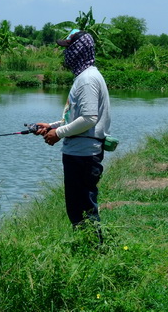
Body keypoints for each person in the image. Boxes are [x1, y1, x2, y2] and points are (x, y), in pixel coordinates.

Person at [35, 29, 111, 237]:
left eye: (68, 48)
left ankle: (93, 252)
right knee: (77, 209)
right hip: (79, 152)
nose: (66, 54)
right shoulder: (85, 77)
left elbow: (88, 119)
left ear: (79, 50)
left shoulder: (87, 80)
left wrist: (58, 133)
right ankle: (87, 249)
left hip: (83, 155)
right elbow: (76, 117)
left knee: (83, 210)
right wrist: (52, 126)